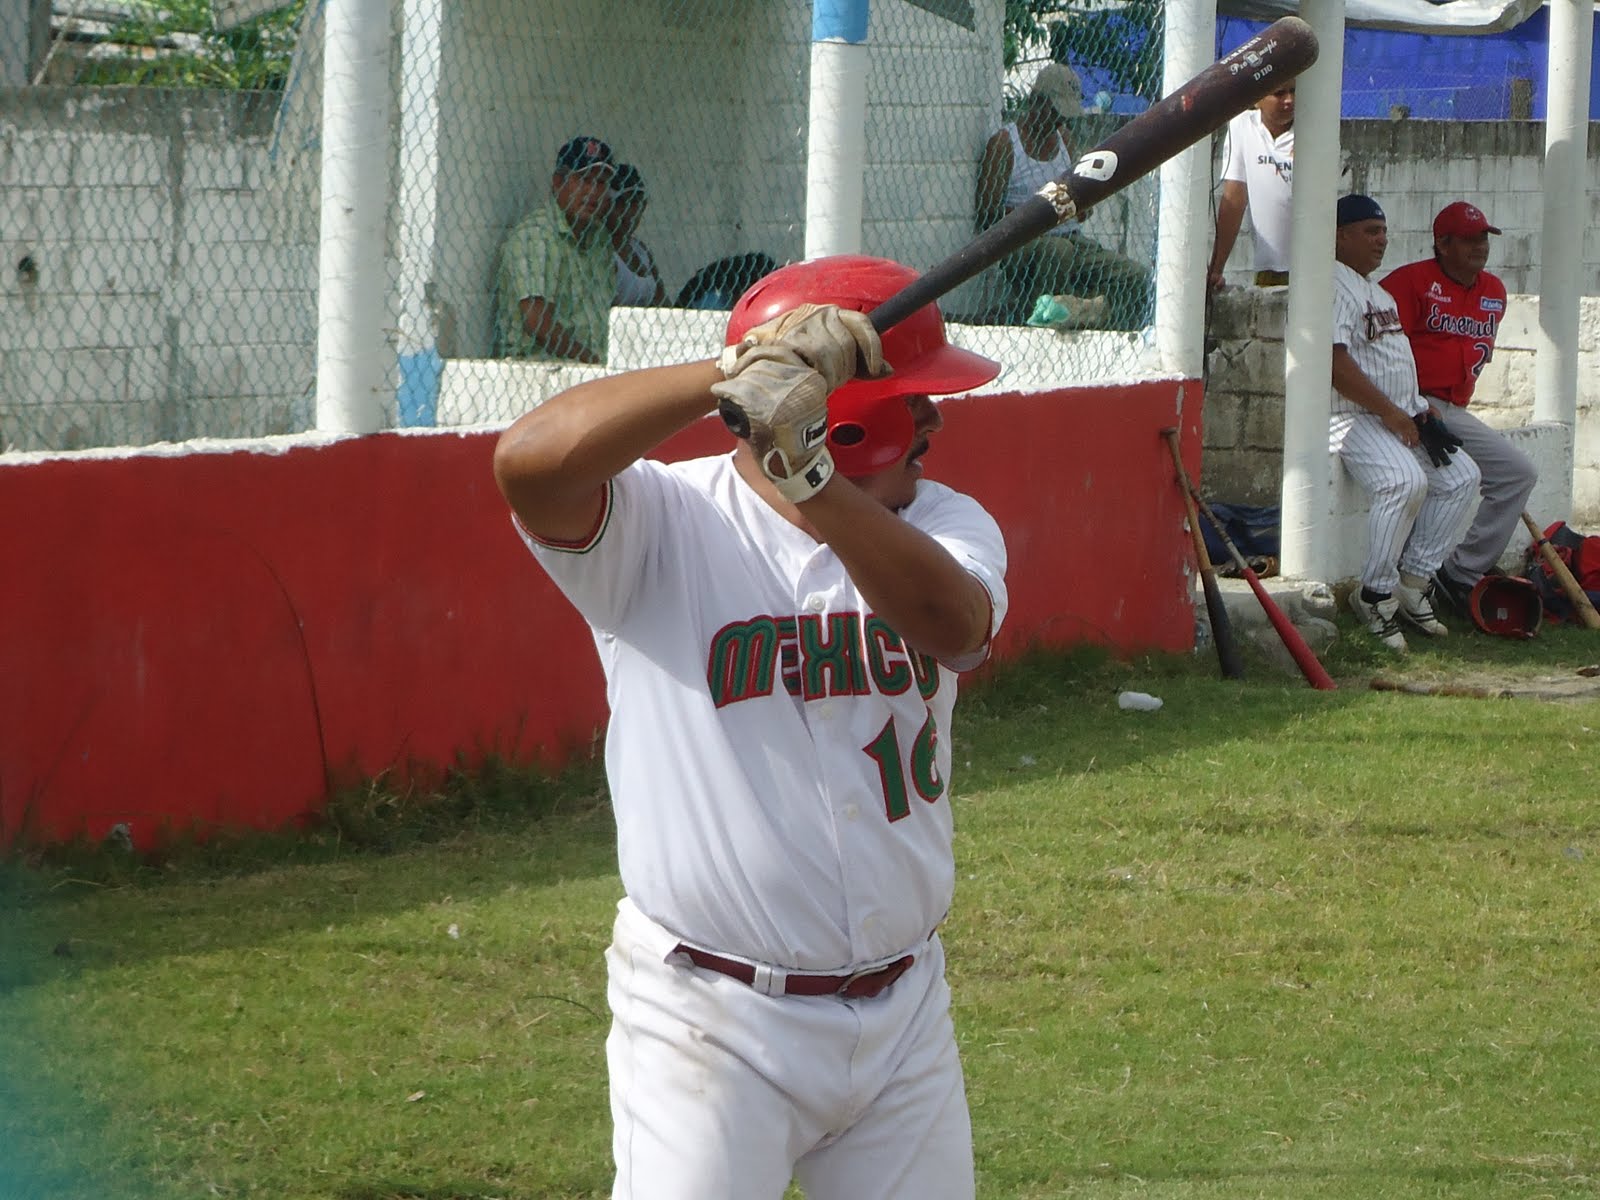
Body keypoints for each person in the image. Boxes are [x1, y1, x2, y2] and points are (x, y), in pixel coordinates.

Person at [492, 253, 1007, 1200]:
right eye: (915, 399)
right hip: (708, 1020)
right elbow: (527, 464)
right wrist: (733, 376)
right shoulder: (665, 519)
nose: (936, 420)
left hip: (904, 1019)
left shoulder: (944, 521)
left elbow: (955, 628)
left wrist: (810, 477)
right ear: (846, 413)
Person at [1328, 194, 1481, 652]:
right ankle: (1374, 595)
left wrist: (1416, 408)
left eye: (1383, 231)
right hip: (1350, 416)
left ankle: (1412, 584)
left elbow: (1390, 359)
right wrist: (1391, 412)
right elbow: (1334, 363)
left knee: (1461, 477)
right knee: (1403, 482)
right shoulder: (1331, 282)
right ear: (1340, 236)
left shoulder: (1376, 292)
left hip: (1396, 416)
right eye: (1370, 231)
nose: (1382, 240)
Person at [1380, 201, 1537, 615]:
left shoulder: (1494, 291)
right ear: (1442, 243)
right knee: (1449, 479)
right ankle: (1412, 580)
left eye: (1483, 237)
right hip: (1409, 401)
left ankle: (1461, 573)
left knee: (1517, 473)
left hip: (1452, 409)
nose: (1480, 246)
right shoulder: (1408, 282)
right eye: (1468, 239)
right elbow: (1379, 352)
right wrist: (1407, 406)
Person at [975, 62, 1152, 330]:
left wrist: (1082, 203)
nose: (1059, 121)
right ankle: (1040, 322)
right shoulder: (1005, 144)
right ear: (1036, 101)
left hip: (1070, 236)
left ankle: (1100, 320)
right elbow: (987, 214)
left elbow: (1079, 200)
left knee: (1135, 276)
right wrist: (1040, 212)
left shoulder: (1064, 140)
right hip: (1023, 243)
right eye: (1055, 112)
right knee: (1058, 251)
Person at [493, 134, 618, 362]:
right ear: (558, 182)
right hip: (538, 369)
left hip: (593, 368)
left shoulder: (600, 239)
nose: (592, 191)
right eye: (584, 180)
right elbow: (537, 322)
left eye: (601, 182)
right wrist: (594, 364)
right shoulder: (535, 235)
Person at [1208, 79, 1295, 290]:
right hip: (1269, 269)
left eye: (1294, 91)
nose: (1289, 100)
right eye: (1279, 93)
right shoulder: (1241, 126)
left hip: (1313, 268)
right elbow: (1233, 201)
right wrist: (1216, 268)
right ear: (1257, 100)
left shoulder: (1314, 127)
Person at [609, 163, 667, 307]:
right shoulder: (602, 253)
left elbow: (663, 303)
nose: (629, 211)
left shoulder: (641, 250)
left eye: (635, 202)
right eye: (621, 202)